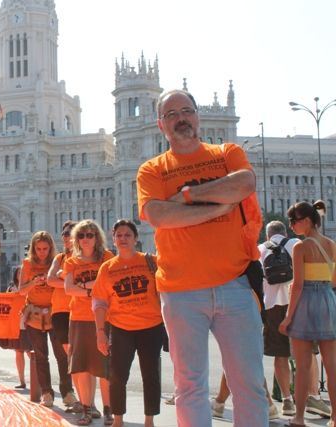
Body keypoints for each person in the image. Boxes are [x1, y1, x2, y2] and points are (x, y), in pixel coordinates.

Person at [136, 89, 268, 426]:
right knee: (190, 387)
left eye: (186, 110)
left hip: (235, 285)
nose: (181, 118)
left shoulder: (227, 153)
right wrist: (218, 206)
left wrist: (189, 196)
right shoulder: (151, 170)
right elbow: (158, 215)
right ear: (160, 124)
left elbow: (243, 185)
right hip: (181, 292)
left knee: (249, 386)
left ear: (197, 116)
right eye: (171, 114)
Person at [93, 219, 164, 427]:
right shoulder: (107, 269)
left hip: (151, 326)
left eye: (128, 235)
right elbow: (99, 302)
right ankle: (118, 419)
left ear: (136, 238)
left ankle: (149, 420)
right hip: (121, 328)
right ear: (113, 240)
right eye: (119, 235)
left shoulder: (151, 262)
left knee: (150, 375)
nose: (123, 239)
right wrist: (100, 332)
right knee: (117, 376)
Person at [279, 200, 336, 427]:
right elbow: (333, 280)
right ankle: (334, 417)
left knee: (302, 367)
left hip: (306, 303)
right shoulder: (331, 244)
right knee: (332, 367)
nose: (291, 225)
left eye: (294, 221)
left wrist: (288, 317)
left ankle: (299, 417)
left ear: (307, 221)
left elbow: (299, 285)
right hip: (327, 300)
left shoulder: (300, 247)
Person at [64, 219, 114, 425]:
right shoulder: (71, 261)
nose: (85, 239)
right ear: (76, 239)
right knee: (82, 367)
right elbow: (68, 289)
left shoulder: (107, 258)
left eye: (90, 235)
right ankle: (86, 409)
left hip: (104, 317)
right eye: (81, 235)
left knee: (105, 368)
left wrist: (82, 287)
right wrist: (92, 289)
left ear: (97, 237)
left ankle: (109, 410)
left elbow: (109, 283)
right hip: (78, 318)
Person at [259, 220, 300, 416]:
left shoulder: (260, 249)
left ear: (267, 235)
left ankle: (287, 401)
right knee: (305, 354)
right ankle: (310, 396)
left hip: (272, 306)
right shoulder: (295, 245)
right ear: (285, 233)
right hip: (297, 303)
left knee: (280, 355)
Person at [18, 231, 58, 407]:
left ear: (51, 248)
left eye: (45, 248)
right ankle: (46, 392)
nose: (42, 252)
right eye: (38, 249)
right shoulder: (27, 264)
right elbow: (21, 290)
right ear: (33, 249)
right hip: (34, 315)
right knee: (41, 355)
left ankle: (67, 391)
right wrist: (34, 282)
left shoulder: (56, 262)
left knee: (62, 354)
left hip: (55, 313)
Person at [47, 220, 80, 411]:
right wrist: (71, 284)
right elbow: (51, 280)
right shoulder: (59, 258)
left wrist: (65, 280)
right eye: (64, 234)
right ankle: (70, 394)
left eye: (71, 233)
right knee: (66, 356)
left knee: (79, 357)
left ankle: (85, 400)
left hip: (80, 311)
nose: (67, 237)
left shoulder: (86, 257)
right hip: (60, 311)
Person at [6, 266, 32, 389]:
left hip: (29, 324)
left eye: (23, 273)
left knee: (31, 352)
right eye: (18, 273)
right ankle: (21, 381)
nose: (20, 275)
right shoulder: (11, 288)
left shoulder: (30, 287)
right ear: (15, 275)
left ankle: (39, 379)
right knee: (18, 352)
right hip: (16, 325)